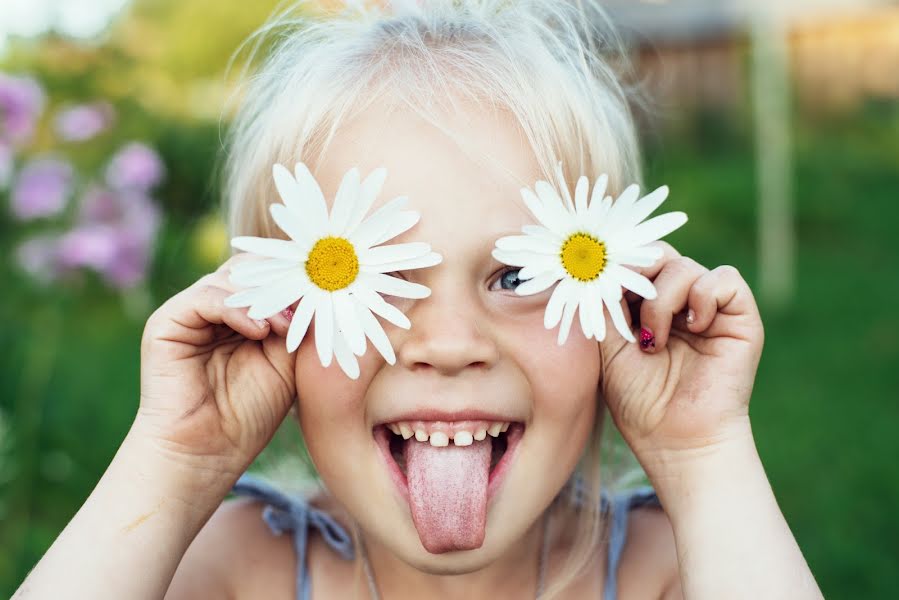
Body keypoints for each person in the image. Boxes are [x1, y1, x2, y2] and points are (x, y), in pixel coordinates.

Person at [13, 1, 823, 598]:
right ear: (270, 321)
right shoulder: (235, 571)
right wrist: (175, 463)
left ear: (618, 303)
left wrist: (701, 456)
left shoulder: (672, 569)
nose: (445, 344)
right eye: (377, 279)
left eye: (517, 277)